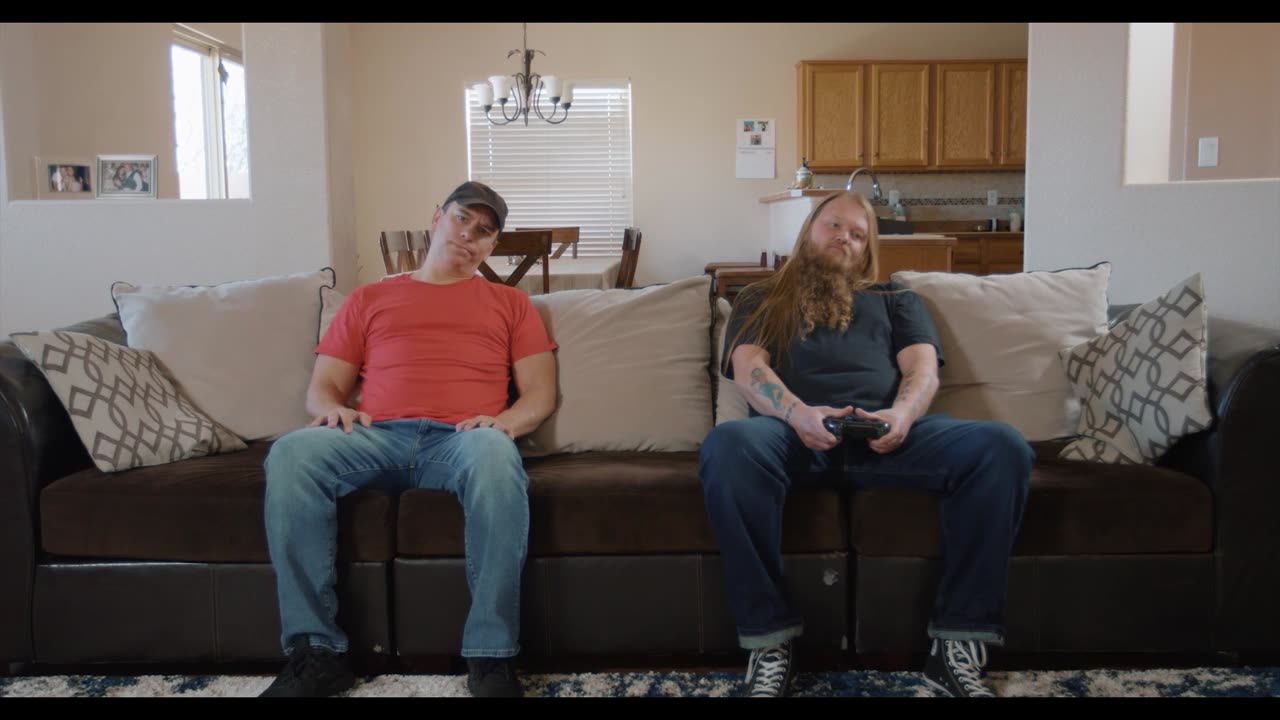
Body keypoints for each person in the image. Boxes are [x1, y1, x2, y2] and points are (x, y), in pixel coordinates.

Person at [699, 190, 1032, 698]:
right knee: (728, 445)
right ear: (808, 230)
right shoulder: (761, 296)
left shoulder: (897, 300)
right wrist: (799, 413)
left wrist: (902, 415)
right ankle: (769, 643)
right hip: (791, 436)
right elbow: (750, 370)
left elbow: (922, 370)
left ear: (868, 249)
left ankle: (957, 645)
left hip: (887, 438)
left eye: (858, 234)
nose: (845, 239)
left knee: (1002, 446)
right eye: (834, 225)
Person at [260, 181, 558, 698]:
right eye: (462, 218)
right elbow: (323, 388)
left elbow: (539, 393)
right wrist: (332, 409)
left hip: (463, 439)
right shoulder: (369, 298)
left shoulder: (511, 303)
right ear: (437, 218)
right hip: (375, 435)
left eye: (485, 231)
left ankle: (491, 655)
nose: (470, 234)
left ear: (492, 245)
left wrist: (506, 423)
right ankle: (317, 653)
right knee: (291, 453)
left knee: (496, 453)